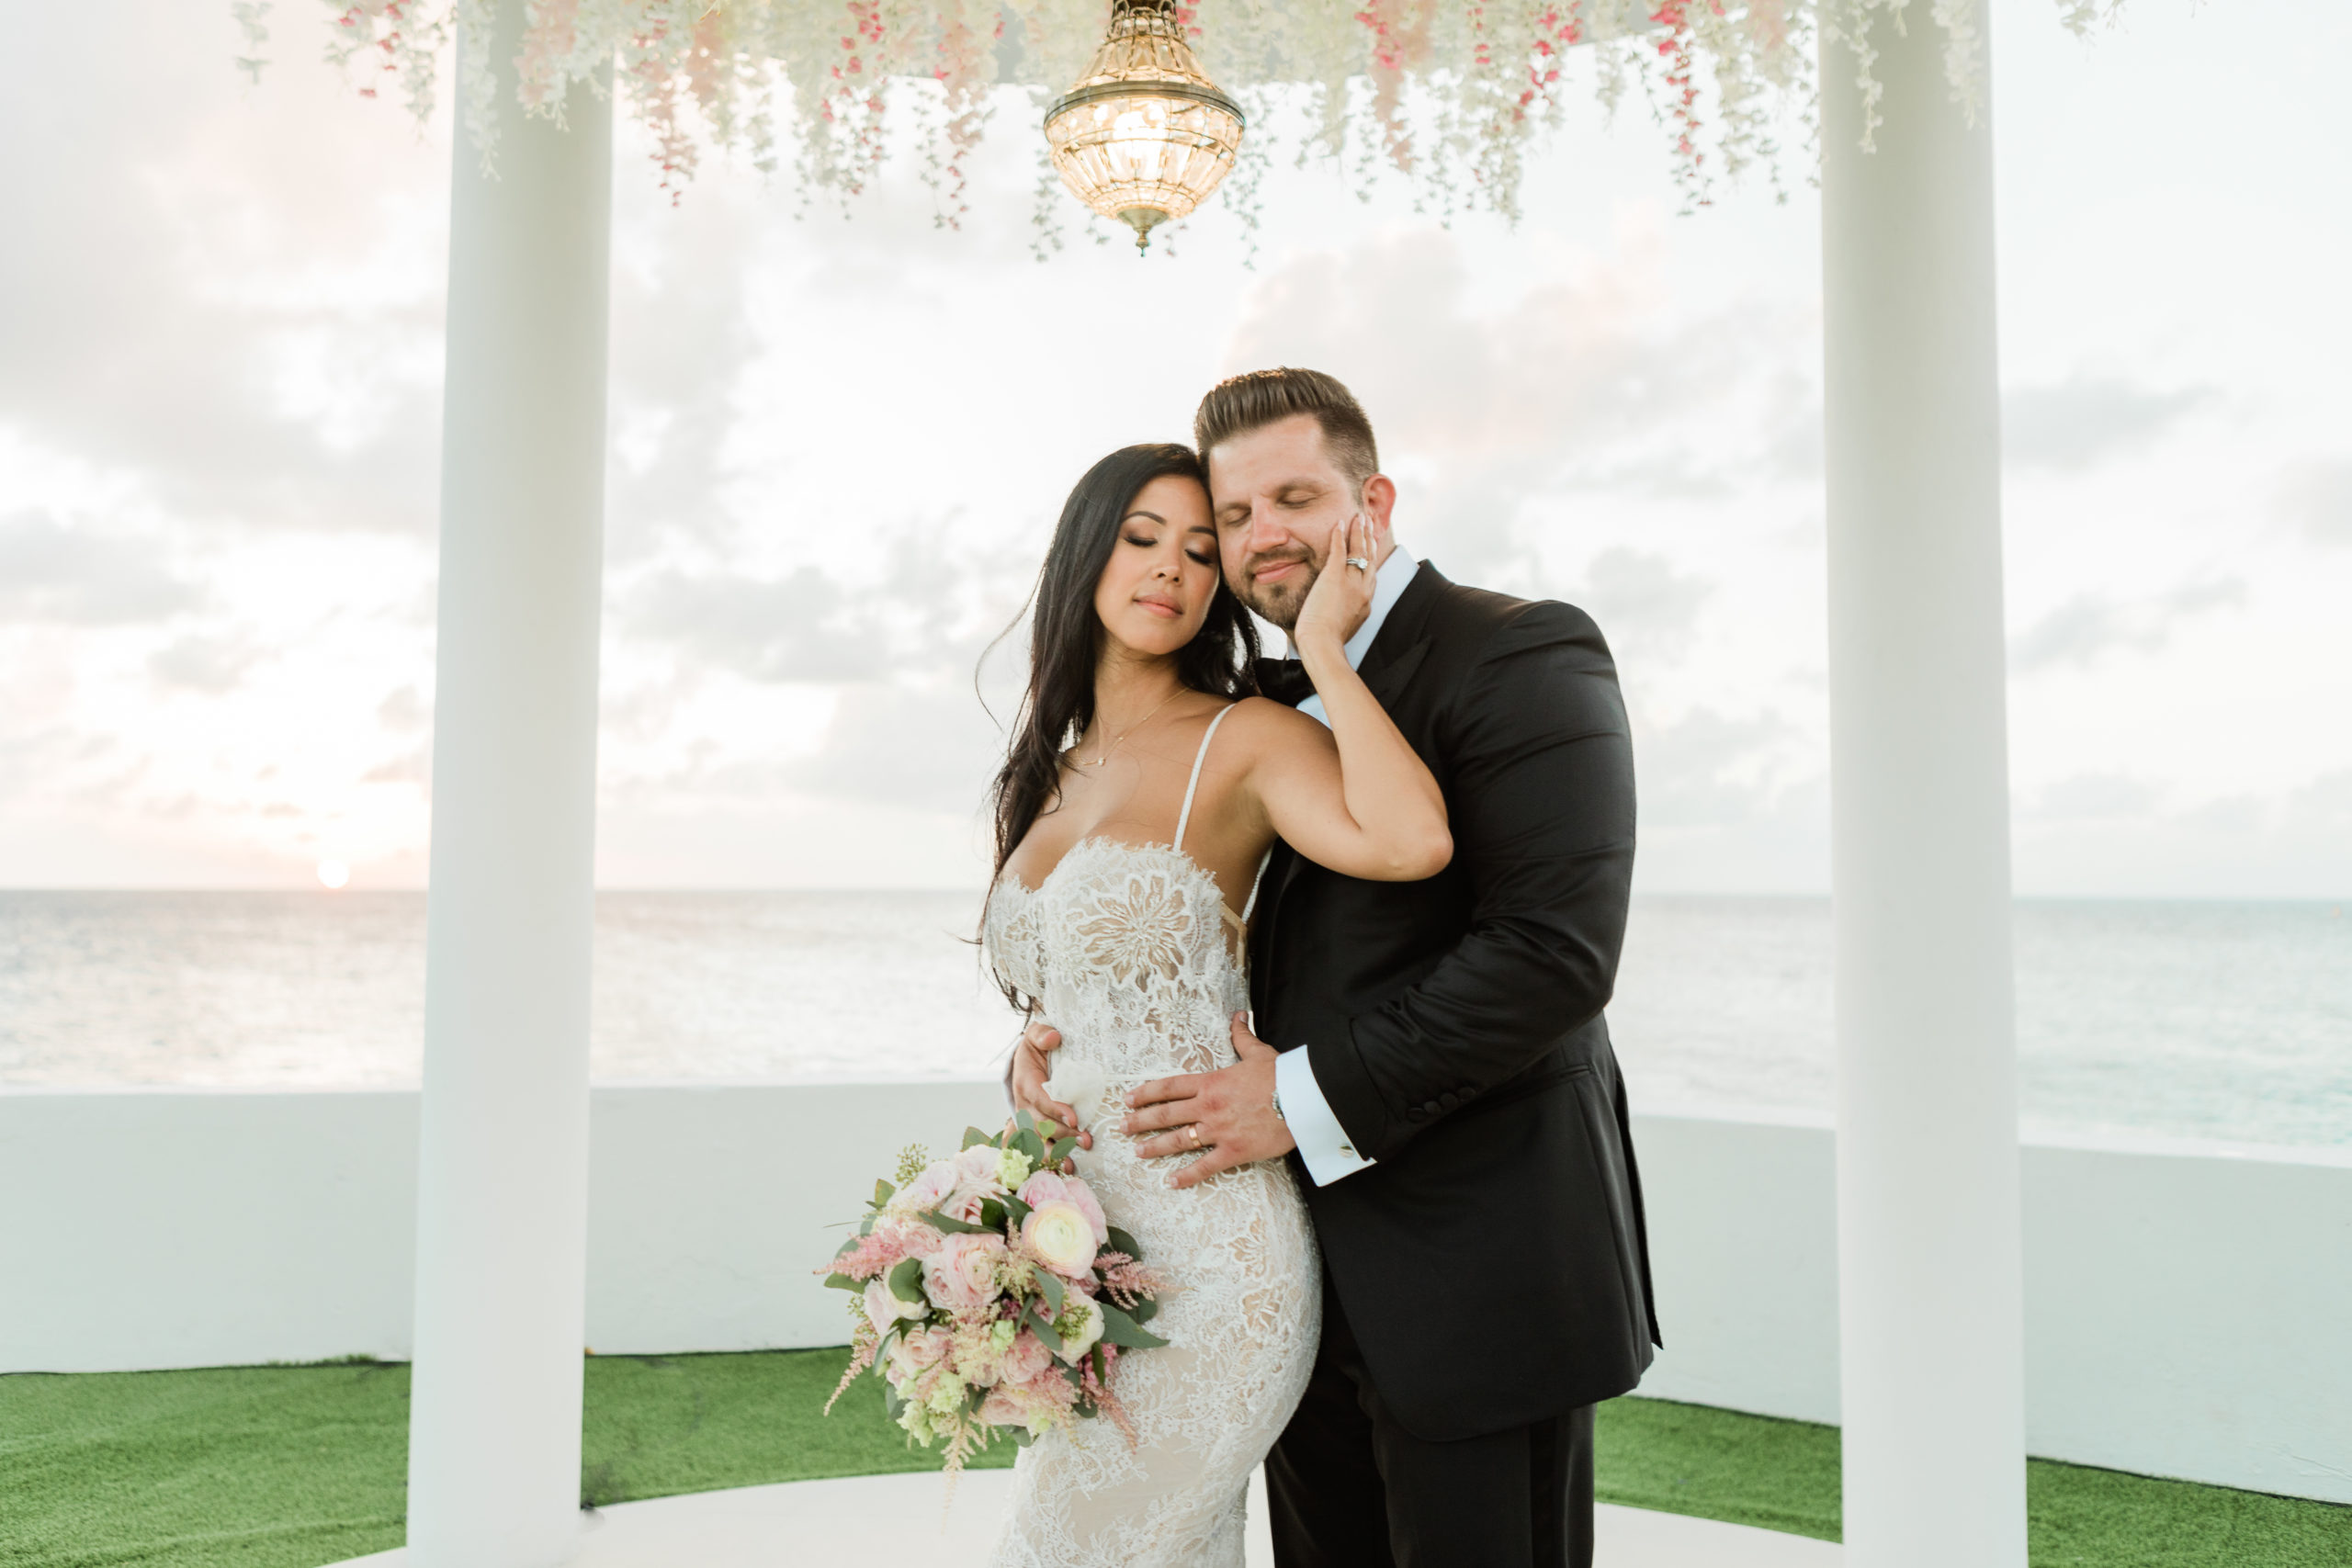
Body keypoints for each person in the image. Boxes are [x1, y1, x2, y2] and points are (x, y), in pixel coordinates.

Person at [1012, 369, 1659, 1567]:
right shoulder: (1248, 703)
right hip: (1284, 1265)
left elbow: (1553, 956)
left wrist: (1295, 1096)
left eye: (1293, 498)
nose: (1260, 537)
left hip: (1475, 1266)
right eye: (1235, 515)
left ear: (1374, 501)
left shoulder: (1523, 649)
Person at [981, 439, 1453, 1567]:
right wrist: (1030, 1063)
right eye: (1142, 540)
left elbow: (1411, 840)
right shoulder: (1051, 768)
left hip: (1215, 1252)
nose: (1173, 571)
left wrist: (1326, 652)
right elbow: (1071, 983)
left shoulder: (1241, 740)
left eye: (1202, 551)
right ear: (1085, 557)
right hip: (1088, 1254)